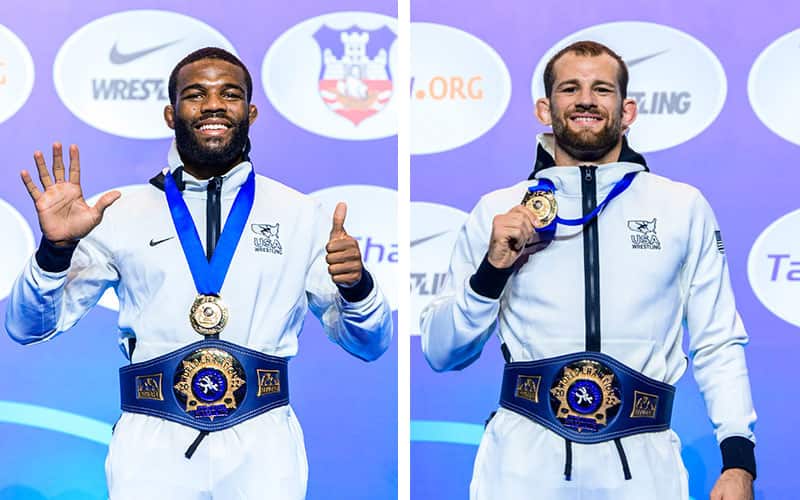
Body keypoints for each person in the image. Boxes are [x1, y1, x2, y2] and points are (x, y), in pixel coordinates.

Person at [6, 47, 392, 500]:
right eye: (195, 94)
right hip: (152, 443)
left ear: (250, 112)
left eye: (229, 94)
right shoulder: (118, 212)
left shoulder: (301, 214)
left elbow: (371, 344)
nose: (213, 104)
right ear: (171, 114)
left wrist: (358, 287)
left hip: (263, 444)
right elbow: (26, 327)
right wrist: (55, 251)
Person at [420, 40, 755, 500]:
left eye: (602, 89)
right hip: (521, 468)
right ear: (545, 107)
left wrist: (738, 460)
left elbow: (718, 339)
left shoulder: (681, 206)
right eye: (569, 88)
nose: (585, 100)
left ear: (628, 110)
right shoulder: (498, 211)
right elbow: (442, 351)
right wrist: (492, 271)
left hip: (643, 466)